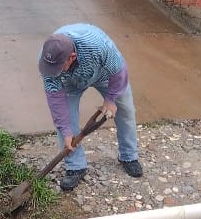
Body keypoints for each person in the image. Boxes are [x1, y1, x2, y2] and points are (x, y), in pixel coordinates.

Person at [38, 23, 143, 191]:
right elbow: (55, 98)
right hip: (70, 83)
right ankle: (75, 166)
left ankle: (129, 156)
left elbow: (119, 71)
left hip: (104, 74)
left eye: (58, 67)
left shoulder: (97, 45)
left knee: (126, 111)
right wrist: (65, 130)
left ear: (71, 57)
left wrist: (110, 99)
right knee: (66, 122)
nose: (54, 71)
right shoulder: (47, 62)